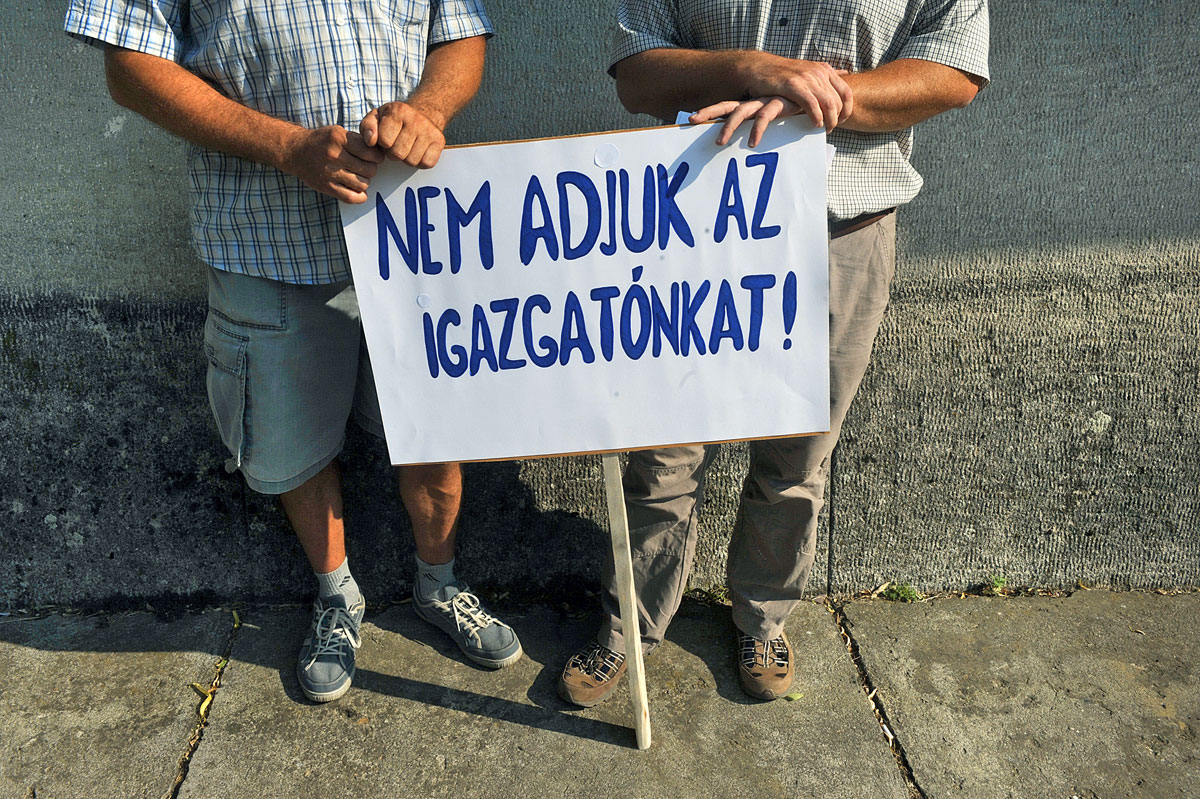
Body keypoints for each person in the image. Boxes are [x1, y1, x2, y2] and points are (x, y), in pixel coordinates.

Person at [64, 0, 521, 704]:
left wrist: (426, 110)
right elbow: (131, 65)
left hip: (413, 233)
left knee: (431, 429)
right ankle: (338, 596)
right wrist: (286, 147)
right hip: (263, 236)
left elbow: (458, 32)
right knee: (290, 440)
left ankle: (440, 584)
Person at [560, 0, 989, 705]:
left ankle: (763, 615)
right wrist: (752, 69)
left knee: (799, 452)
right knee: (664, 450)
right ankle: (626, 628)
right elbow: (638, 72)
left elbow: (953, 71)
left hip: (841, 231)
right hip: (692, 222)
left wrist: (817, 94)